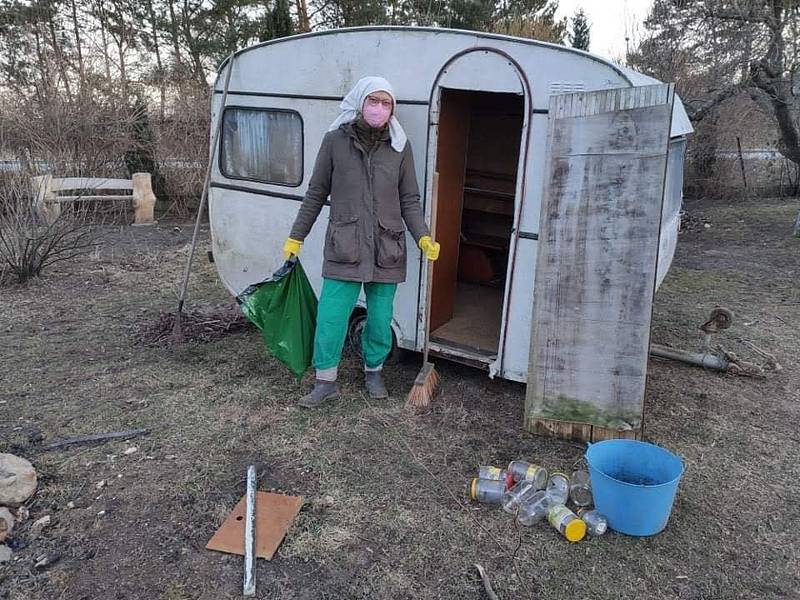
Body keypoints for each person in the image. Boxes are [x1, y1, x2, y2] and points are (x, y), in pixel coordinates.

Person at [283, 76, 440, 408]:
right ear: (360, 102)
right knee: (331, 316)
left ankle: (374, 372)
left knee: (381, 319)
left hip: (387, 248)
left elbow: (409, 200)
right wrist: (296, 236)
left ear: (392, 109)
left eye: (386, 103)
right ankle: (325, 382)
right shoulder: (334, 142)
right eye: (373, 101)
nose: (379, 108)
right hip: (345, 246)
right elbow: (315, 194)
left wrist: (423, 236)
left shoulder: (400, 147)